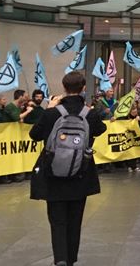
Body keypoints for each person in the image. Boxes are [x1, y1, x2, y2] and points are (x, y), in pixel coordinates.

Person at [29, 71, 106, 266]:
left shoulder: (52, 113)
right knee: (75, 220)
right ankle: (71, 259)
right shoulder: (89, 113)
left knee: (57, 221)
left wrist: (50, 107)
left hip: (53, 175)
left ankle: (60, 259)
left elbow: (34, 134)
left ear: (64, 88)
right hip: (81, 174)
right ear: (83, 88)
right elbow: (101, 129)